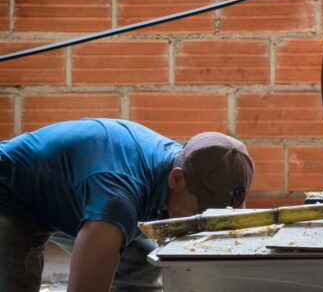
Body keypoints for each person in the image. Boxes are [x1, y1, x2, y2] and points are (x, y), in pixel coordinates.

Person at [0, 118, 254, 292]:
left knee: (140, 264)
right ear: (176, 178)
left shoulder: (188, 162)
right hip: (10, 195)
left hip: (71, 189)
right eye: (199, 214)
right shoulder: (116, 201)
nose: (200, 229)